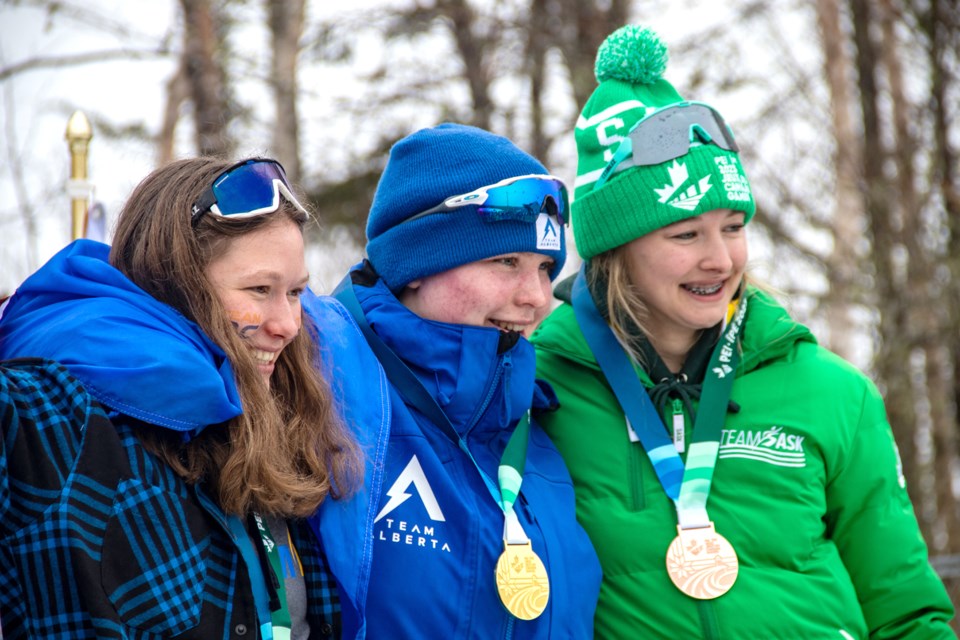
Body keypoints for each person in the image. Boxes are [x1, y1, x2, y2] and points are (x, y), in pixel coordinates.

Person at [531, 24, 955, 638]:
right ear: (614, 250)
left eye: (733, 226)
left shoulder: (832, 392)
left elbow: (908, 612)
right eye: (685, 235)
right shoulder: (535, 389)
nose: (721, 260)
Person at [0, 157, 384, 639]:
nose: (286, 324)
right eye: (260, 289)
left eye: (295, 292)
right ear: (175, 282)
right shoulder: (58, 415)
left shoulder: (283, 409)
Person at [315, 122, 601, 638]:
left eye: (543, 268)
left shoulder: (533, 422)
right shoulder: (318, 384)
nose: (536, 296)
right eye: (505, 261)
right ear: (416, 265)